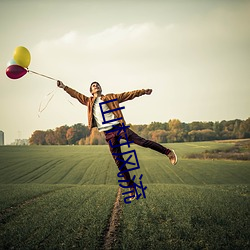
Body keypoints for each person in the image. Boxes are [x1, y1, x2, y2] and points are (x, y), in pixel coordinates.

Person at [57, 81, 177, 201]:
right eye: (94, 86)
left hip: (119, 128)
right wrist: (64, 87)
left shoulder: (111, 97)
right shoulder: (88, 102)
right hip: (108, 134)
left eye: (97, 84)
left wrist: (143, 92)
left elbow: (128, 94)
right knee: (119, 162)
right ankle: (132, 189)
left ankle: (168, 152)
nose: (96, 86)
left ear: (100, 88)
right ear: (91, 91)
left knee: (142, 142)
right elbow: (75, 94)